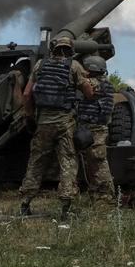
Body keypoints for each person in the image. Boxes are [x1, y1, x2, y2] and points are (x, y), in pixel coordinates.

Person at [19, 36, 93, 220]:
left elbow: (27, 94)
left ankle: (25, 204)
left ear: (53, 48)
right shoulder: (74, 66)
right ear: (70, 49)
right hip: (65, 123)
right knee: (68, 162)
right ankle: (65, 210)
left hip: (43, 122)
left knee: (36, 162)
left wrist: (30, 116)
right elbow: (89, 93)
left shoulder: (40, 66)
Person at [76, 56, 116, 206]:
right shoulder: (101, 83)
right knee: (91, 164)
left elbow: (83, 85)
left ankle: (106, 198)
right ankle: (97, 197)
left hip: (96, 129)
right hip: (91, 129)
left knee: (98, 164)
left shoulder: (101, 84)